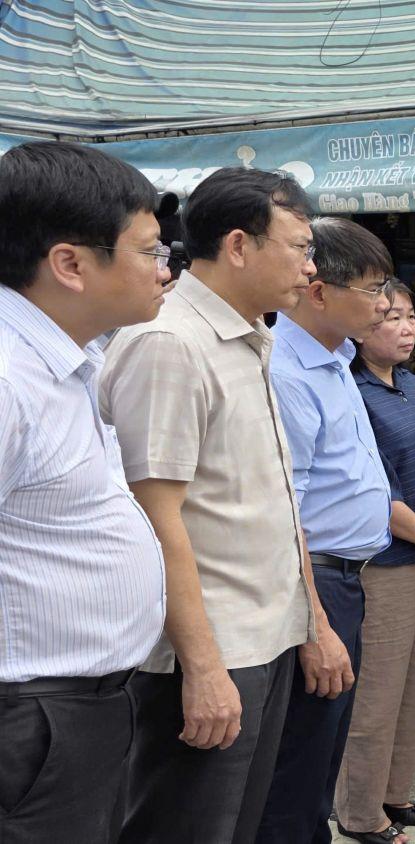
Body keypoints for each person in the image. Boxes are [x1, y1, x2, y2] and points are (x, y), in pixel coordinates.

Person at [103, 167, 346, 844]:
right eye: (300, 247)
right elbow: (156, 518)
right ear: (238, 246)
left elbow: (273, 497)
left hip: (262, 640)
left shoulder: (250, 335)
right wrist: (204, 670)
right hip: (207, 650)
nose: (311, 266)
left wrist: (314, 623)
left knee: (238, 827)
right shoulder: (171, 345)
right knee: (186, 828)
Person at [0, 141, 169, 842]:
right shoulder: (10, 379)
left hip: (83, 706)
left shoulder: (67, 363)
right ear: (70, 263)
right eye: (150, 250)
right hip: (34, 717)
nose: (166, 270)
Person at [258, 217, 395, 844]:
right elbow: (290, 512)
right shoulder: (285, 371)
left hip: (345, 579)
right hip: (316, 584)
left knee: (321, 750)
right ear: (319, 292)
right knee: (298, 758)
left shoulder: (336, 359)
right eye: (371, 289)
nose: (386, 304)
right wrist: (315, 623)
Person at [334, 280, 415, 841]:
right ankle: (360, 812)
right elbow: (375, 489)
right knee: (377, 690)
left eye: (410, 316)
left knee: (414, 682)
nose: (406, 327)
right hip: (387, 559)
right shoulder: (352, 389)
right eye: (390, 317)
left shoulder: (412, 384)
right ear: (361, 327)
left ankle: (395, 793)